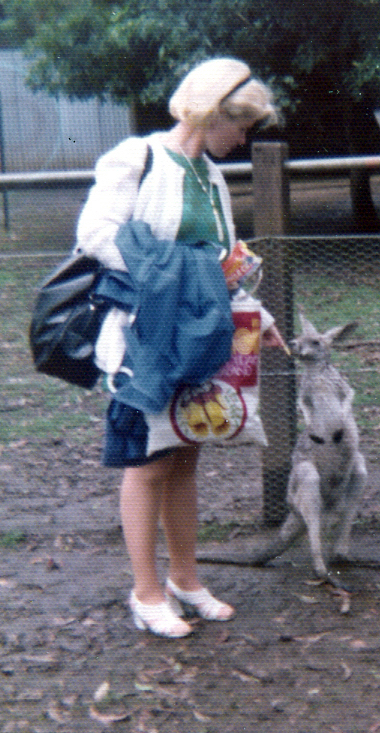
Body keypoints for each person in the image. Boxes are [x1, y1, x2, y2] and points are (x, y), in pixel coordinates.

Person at [76, 57, 288, 637]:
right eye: (239, 125)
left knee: (186, 452)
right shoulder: (137, 159)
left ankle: (186, 579)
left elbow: (222, 257)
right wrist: (174, 277)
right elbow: (97, 236)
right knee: (147, 461)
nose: (243, 138)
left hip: (198, 335)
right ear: (213, 114)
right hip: (144, 334)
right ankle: (146, 592)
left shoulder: (210, 175)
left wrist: (258, 314)